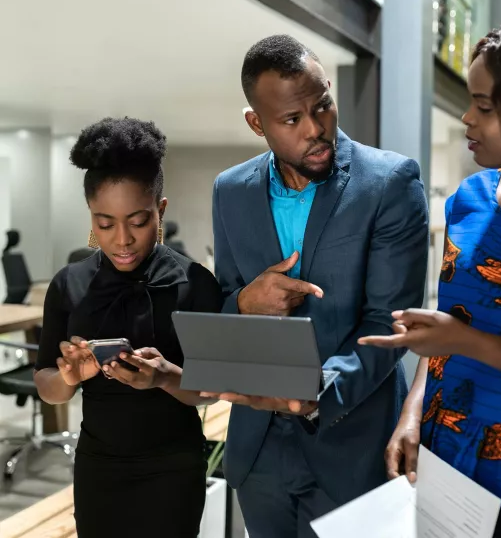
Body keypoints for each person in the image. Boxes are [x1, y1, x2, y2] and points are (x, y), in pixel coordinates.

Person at [360, 10, 501, 537]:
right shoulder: (470, 200)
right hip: (451, 465)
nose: (466, 118)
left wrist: (469, 342)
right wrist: (413, 412)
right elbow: (447, 327)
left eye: (483, 107)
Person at [208, 34, 429, 537]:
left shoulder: (390, 182)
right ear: (256, 123)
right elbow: (222, 298)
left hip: (350, 444)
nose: (316, 129)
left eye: (322, 106)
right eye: (291, 120)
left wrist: (317, 392)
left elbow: (390, 322)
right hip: (259, 452)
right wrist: (244, 301)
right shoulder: (230, 191)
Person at [34, 117, 223, 538]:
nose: (122, 239)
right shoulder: (69, 285)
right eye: (105, 224)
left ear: (161, 209)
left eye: (138, 221)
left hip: (174, 465)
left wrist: (164, 377)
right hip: (99, 465)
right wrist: (68, 378)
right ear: (91, 216)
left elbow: (211, 390)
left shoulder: (195, 283)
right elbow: (47, 383)